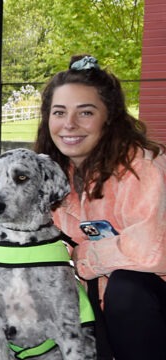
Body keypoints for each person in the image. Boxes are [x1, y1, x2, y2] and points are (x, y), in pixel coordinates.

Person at [34, 54, 166, 360]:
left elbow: (152, 251)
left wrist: (81, 257)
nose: (69, 124)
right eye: (59, 112)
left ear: (109, 118)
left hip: (147, 302)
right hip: (99, 302)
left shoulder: (141, 167)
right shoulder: (54, 175)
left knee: (126, 288)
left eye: (86, 112)